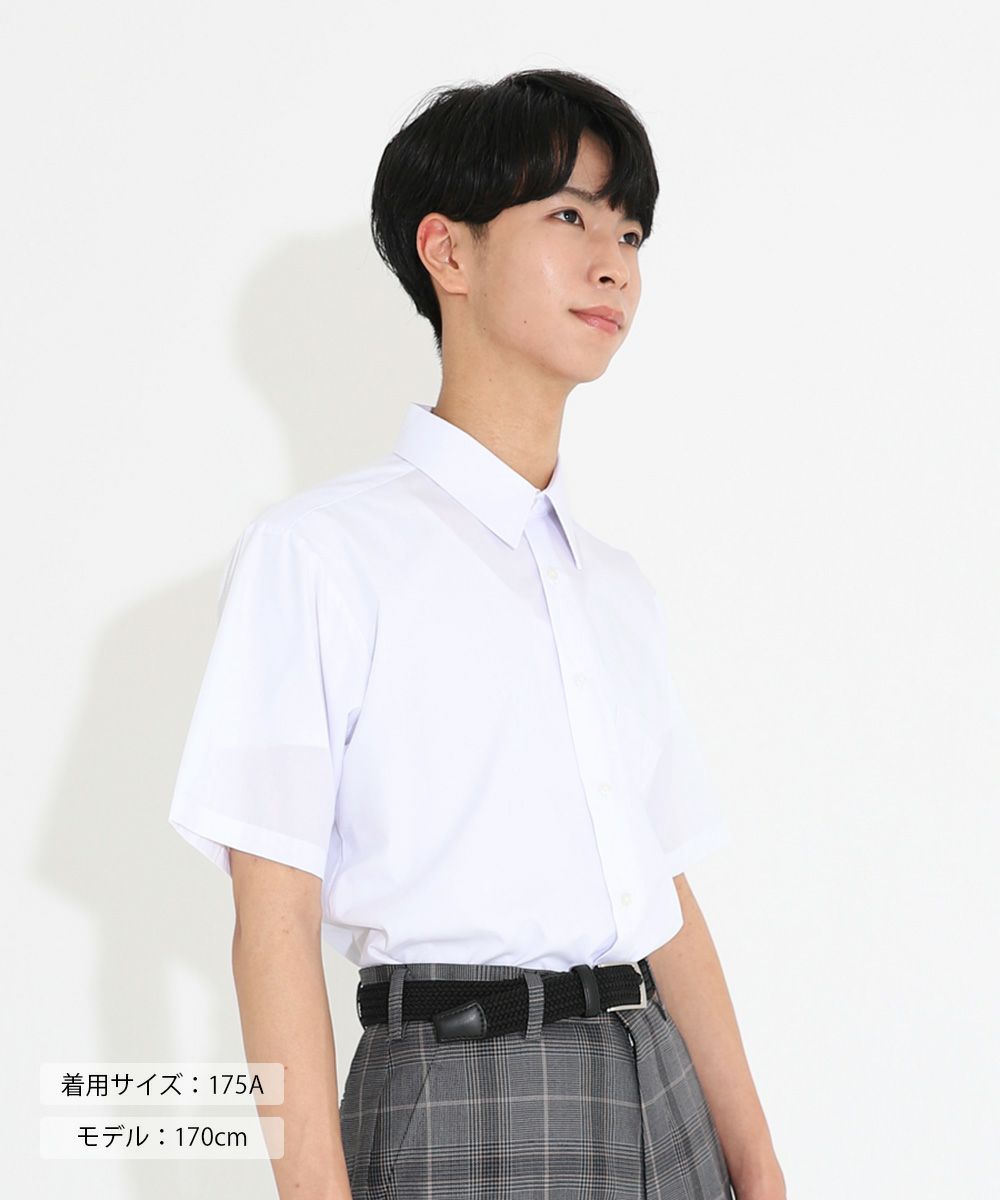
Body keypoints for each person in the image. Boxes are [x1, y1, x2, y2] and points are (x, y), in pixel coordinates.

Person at [168, 67, 786, 1200]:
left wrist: (760, 1169)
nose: (615, 263)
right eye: (570, 216)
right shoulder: (317, 556)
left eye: (630, 231)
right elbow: (273, 920)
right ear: (446, 252)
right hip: (459, 1099)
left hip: (661, 1093)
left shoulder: (614, 586)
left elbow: (666, 900)